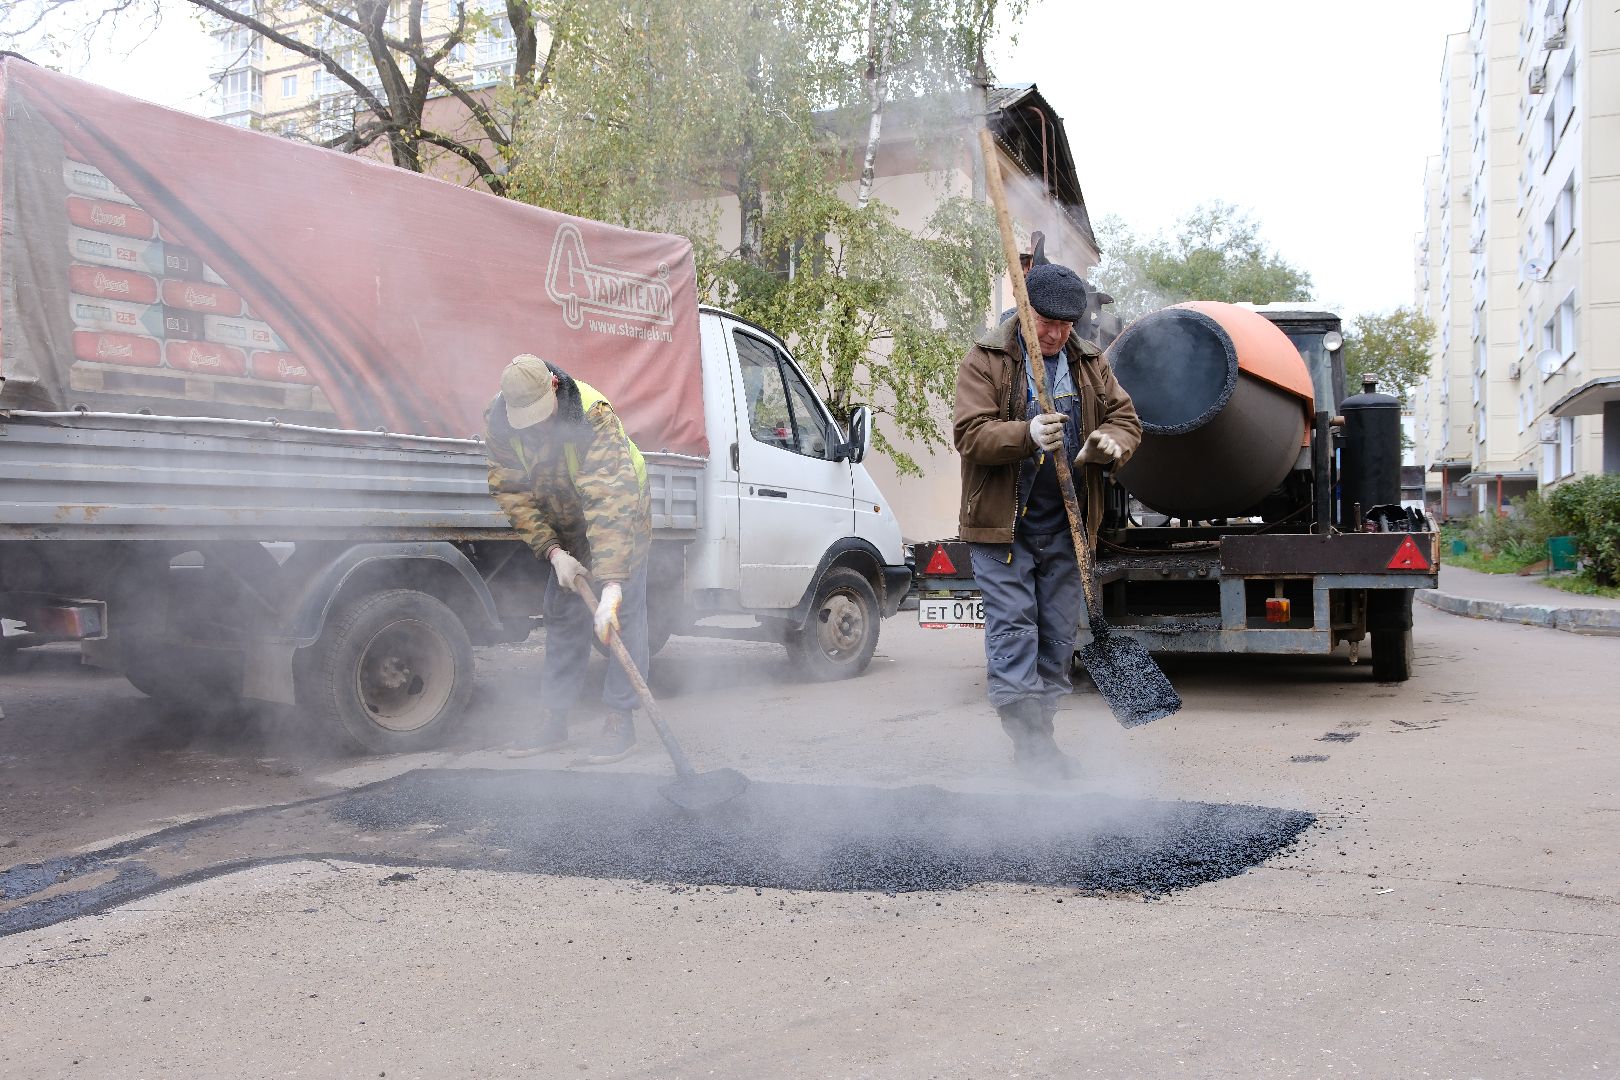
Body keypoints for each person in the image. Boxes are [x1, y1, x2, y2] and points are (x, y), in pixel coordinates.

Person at [952, 263, 1142, 779]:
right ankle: (1032, 750)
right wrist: (1026, 433)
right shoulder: (987, 359)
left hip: (1067, 526)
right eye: (1046, 321)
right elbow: (970, 434)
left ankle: (1041, 743)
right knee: (1014, 631)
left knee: (1056, 638)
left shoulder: (1089, 362)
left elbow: (1125, 419)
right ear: (1024, 308)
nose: (1056, 333)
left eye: (1067, 323)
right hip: (1003, 528)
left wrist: (1111, 444)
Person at [485, 354, 652, 764]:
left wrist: (611, 582)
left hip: (622, 516)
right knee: (561, 616)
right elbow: (513, 493)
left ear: (555, 388)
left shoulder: (594, 416)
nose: (537, 427)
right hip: (566, 527)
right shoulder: (500, 421)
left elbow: (610, 499)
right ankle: (554, 719)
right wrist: (554, 552)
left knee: (622, 615)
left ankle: (620, 718)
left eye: (541, 416)